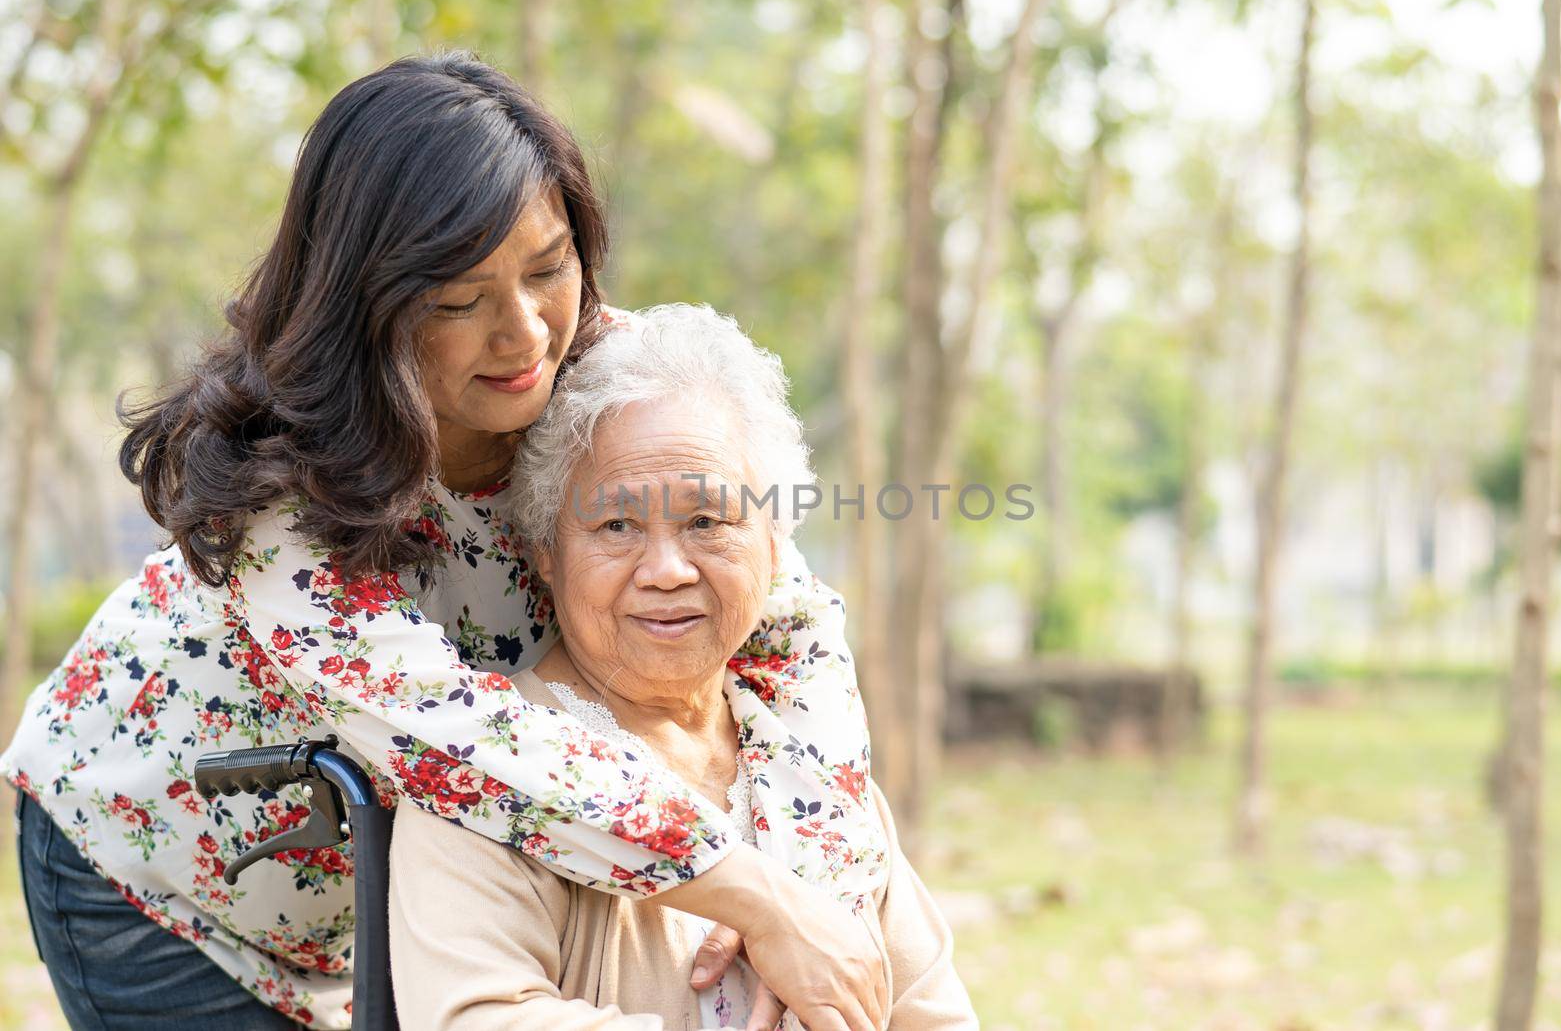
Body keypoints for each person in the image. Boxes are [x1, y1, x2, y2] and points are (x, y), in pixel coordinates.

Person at [2, 52, 886, 1031]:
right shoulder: (279, 497)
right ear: (366, 300)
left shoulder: (610, 380)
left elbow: (787, 622)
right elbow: (473, 747)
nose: (523, 334)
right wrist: (754, 894)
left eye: (549, 268)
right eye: (458, 300)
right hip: (156, 877)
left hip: (354, 896)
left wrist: (813, 889)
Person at [388, 304, 976, 1030]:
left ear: (773, 543)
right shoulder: (483, 779)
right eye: (616, 525)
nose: (666, 570)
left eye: (706, 520)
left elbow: (929, 1009)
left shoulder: (807, 756)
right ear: (546, 550)